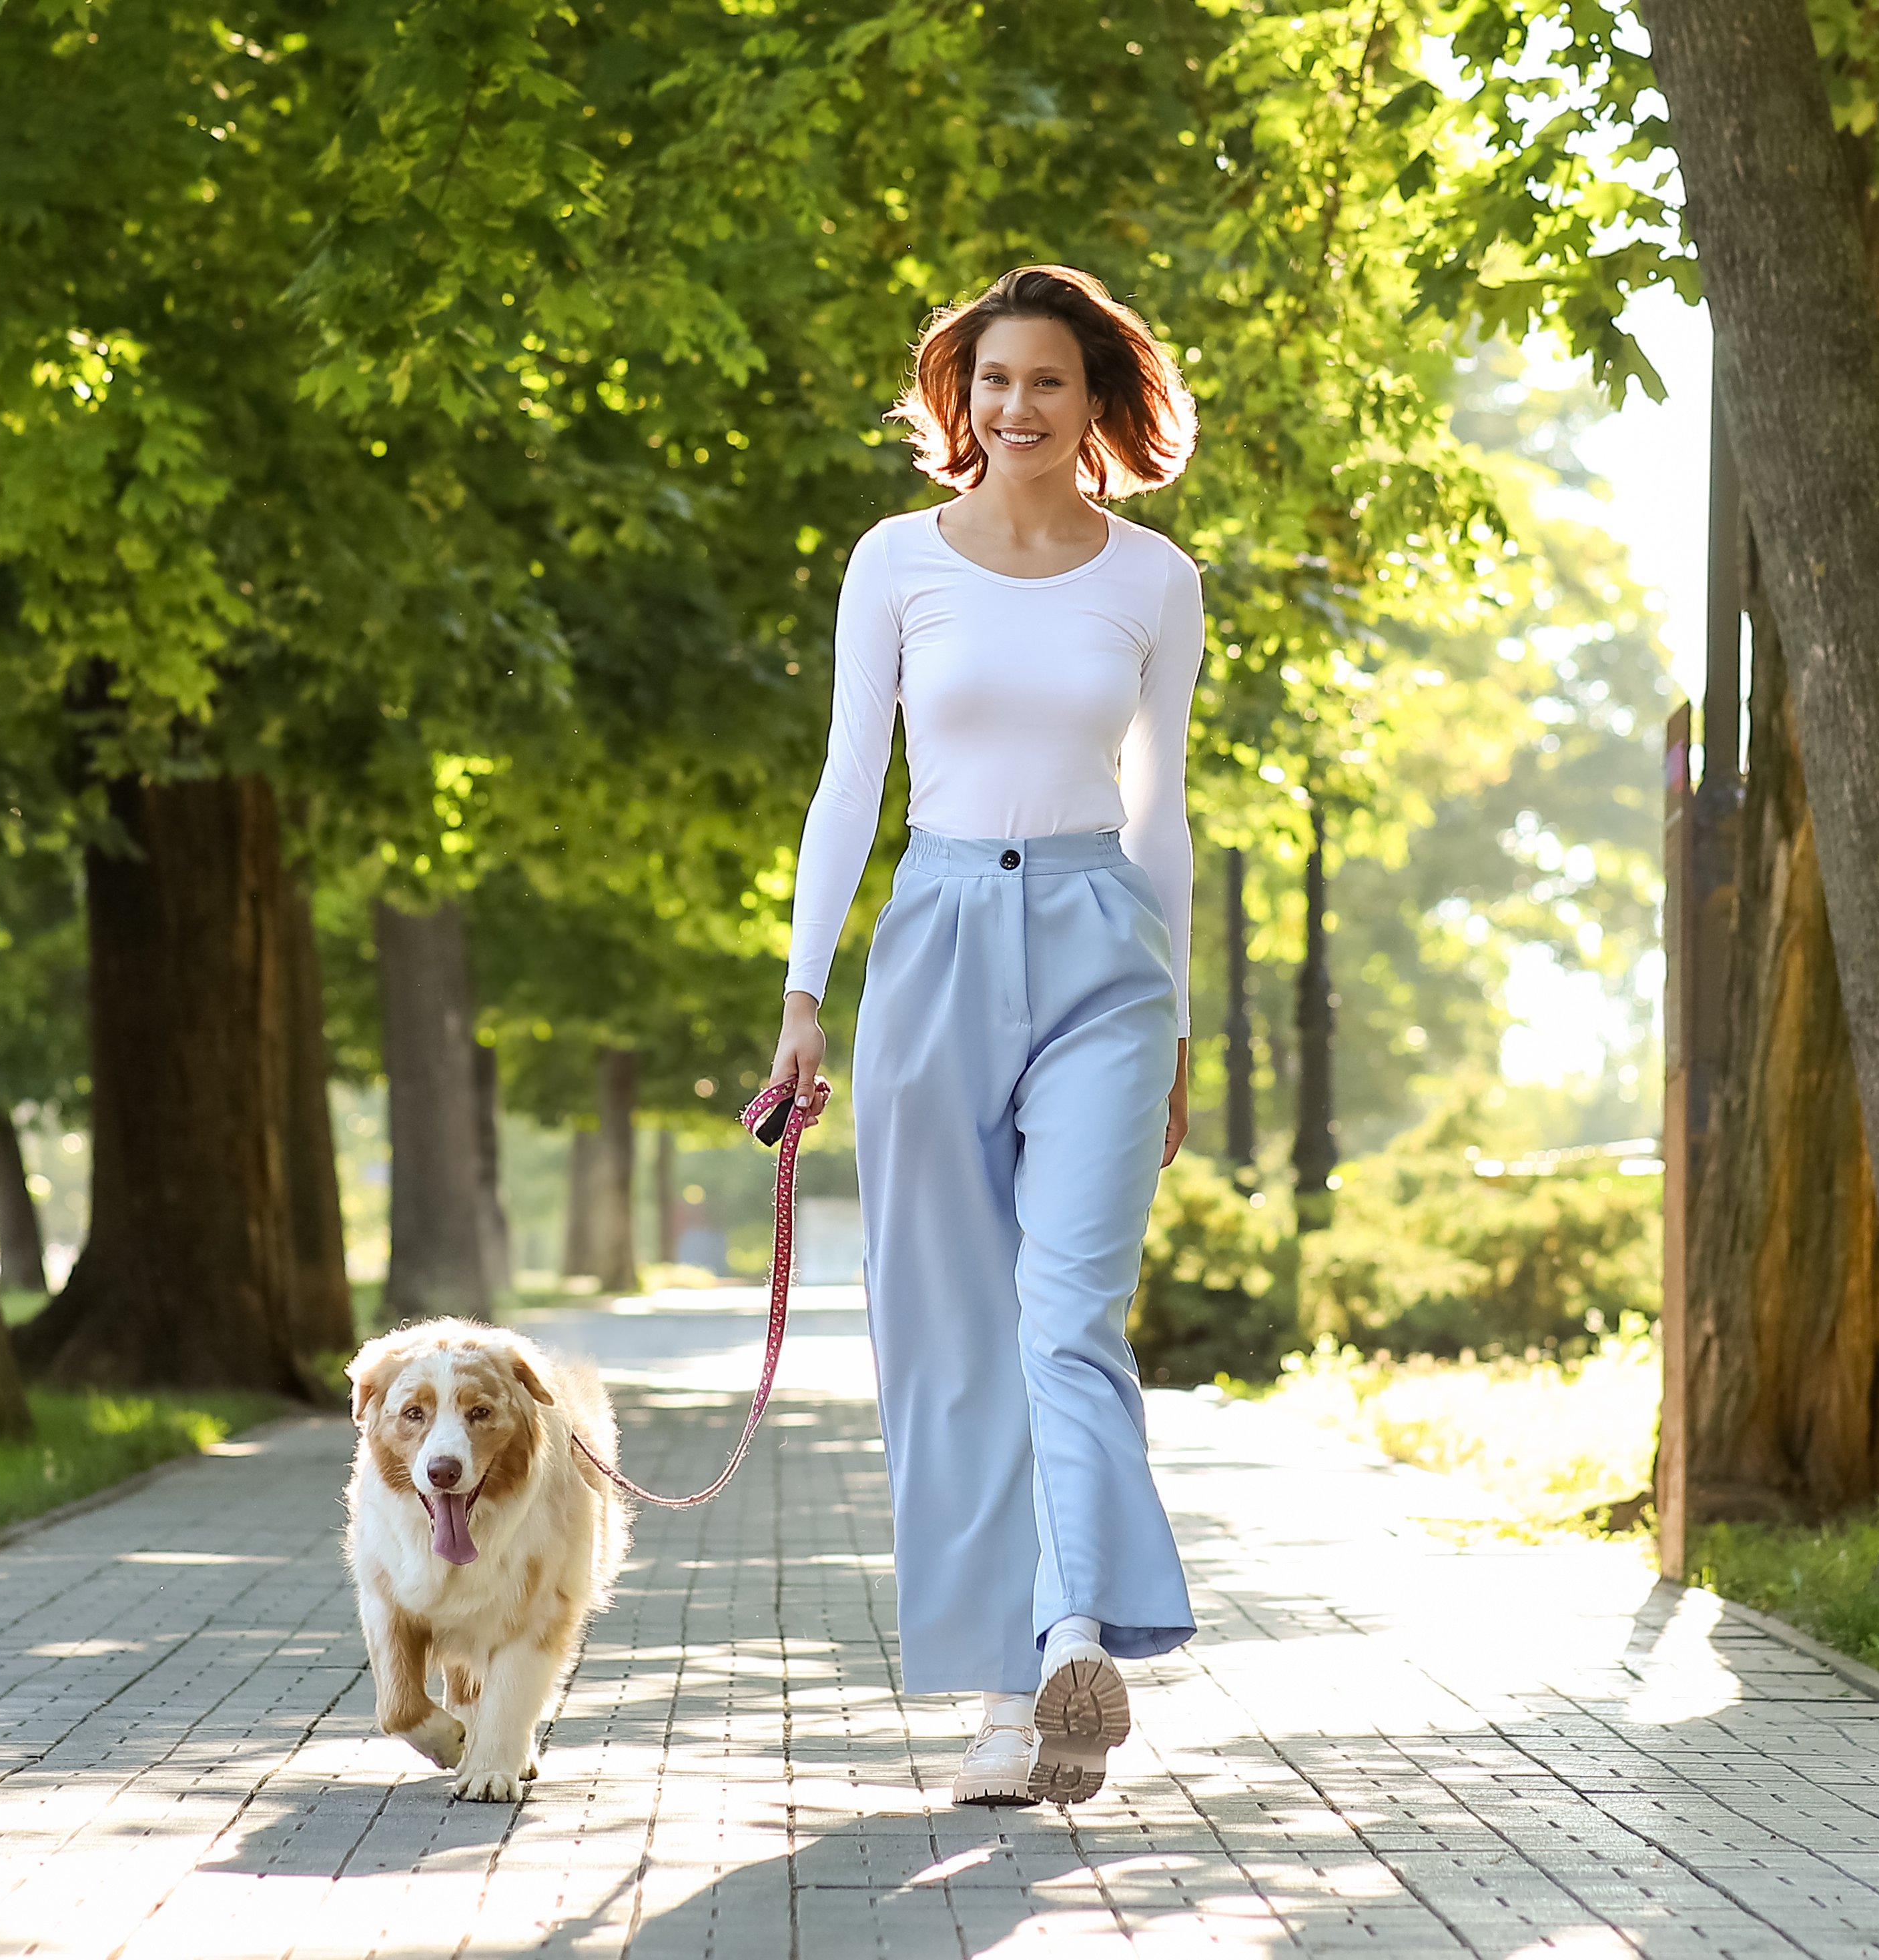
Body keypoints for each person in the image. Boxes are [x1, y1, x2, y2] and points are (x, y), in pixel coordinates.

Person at [764, 264, 1201, 1809]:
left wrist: (1184, 1024)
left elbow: (1162, 812)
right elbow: (844, 785)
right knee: (950, 1333)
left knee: (1067, 1312)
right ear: (965, 400)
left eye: (1050, 384)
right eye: (994, 381)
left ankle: (1075, 1625)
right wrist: (805, 994)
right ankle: (1007, 1703)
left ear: (1098, 409)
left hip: (1103, 951)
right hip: (936, 939)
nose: (1017, 406)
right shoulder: (895, 562)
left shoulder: (1152, 579)